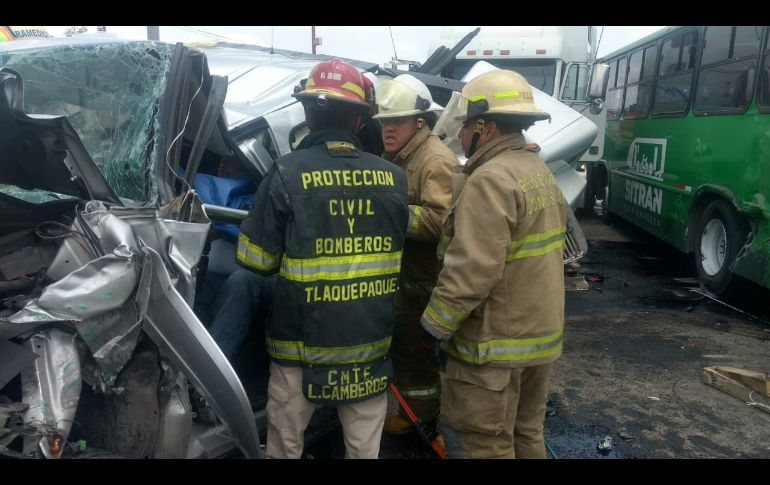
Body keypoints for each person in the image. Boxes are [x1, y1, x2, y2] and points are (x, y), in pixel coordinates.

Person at [237, 59, 409, 459]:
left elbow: (256, 261)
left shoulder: (286, 172)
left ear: (308, 114)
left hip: (298, 348)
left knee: (285, 447)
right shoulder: (394, 178)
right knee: (363, 450)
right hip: (368, 344)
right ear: (358, 120)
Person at [420, 70, 567, 459]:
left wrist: (434, 327)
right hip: (537, 340)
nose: (462, 133)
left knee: (482, 444)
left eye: (467, 125)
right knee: (525, 435)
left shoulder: (490, 179)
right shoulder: (536, 170)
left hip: (493, 349)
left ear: (485, 127)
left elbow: (471, 270)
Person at [371, 74, 458, 435]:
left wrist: (390, 214)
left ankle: (421, 417)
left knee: (417, 351)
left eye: (397, 121)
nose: (388, 129)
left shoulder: (434, 160)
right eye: (384, 122)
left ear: (420, 122)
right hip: (405, 278)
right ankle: (416, 411)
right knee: (405, 347)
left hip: (423, 282)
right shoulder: (400, 156)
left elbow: (442, 220)